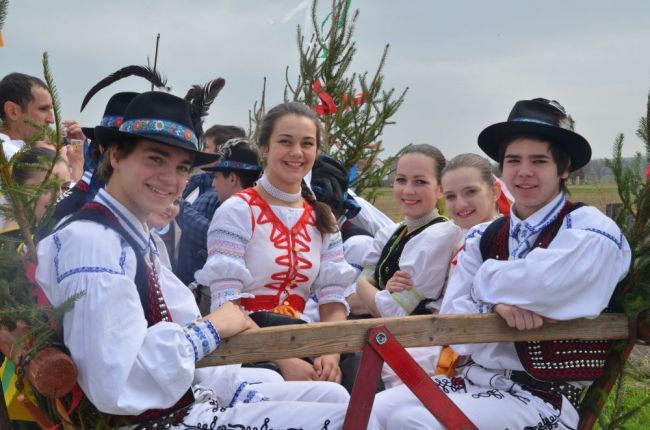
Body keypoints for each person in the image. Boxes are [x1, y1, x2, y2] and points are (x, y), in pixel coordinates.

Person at [36, 92, 367, 429]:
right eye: (155, 158)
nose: (170, 178)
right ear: (116, 155)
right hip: (149, 419)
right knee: (351, 417)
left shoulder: (133, 235)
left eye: (182, 167)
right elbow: (116, 380)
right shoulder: (96, 243)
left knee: (334, 397)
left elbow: (183, 329)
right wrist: (216, 326)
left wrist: (244, 383)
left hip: (184, 393)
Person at [371, 98, 632, 429]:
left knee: (414, 422)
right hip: (473, 380)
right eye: (513, 160)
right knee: (372, 409)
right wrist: (498, 305)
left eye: (539, 160)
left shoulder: (591, 230)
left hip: (544, 397)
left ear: (564, 169)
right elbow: (456, 327)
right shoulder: (483, 236)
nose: (524, 171)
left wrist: (483, 284)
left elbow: (547, 285)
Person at [195, 102, 357, 383]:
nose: (297, 152)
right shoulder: (237, 211)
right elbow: (226, 306)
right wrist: (285, 361)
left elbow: (332, 298)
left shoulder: (323, 218)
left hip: (306, 341)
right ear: (265, 148)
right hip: (243, 345)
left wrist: (330, 353)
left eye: (307, 143)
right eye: (285, 141)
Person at [353, 144, 463, 318]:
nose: (408, 190)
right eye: (401, 180)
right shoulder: (388, 233)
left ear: (441, 189)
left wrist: (362, 285)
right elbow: (350, 302)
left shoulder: (441, 237)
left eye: (420, 182)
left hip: (416, 341)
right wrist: (379, 293)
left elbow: (390, 311)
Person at [175, 125, 247, 285]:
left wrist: (178, 205)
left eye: (206, 146)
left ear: (221, 152)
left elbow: (213, 235)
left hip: (202, 286)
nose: (202, 151)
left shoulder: (229, 192)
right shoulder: (197, 182)